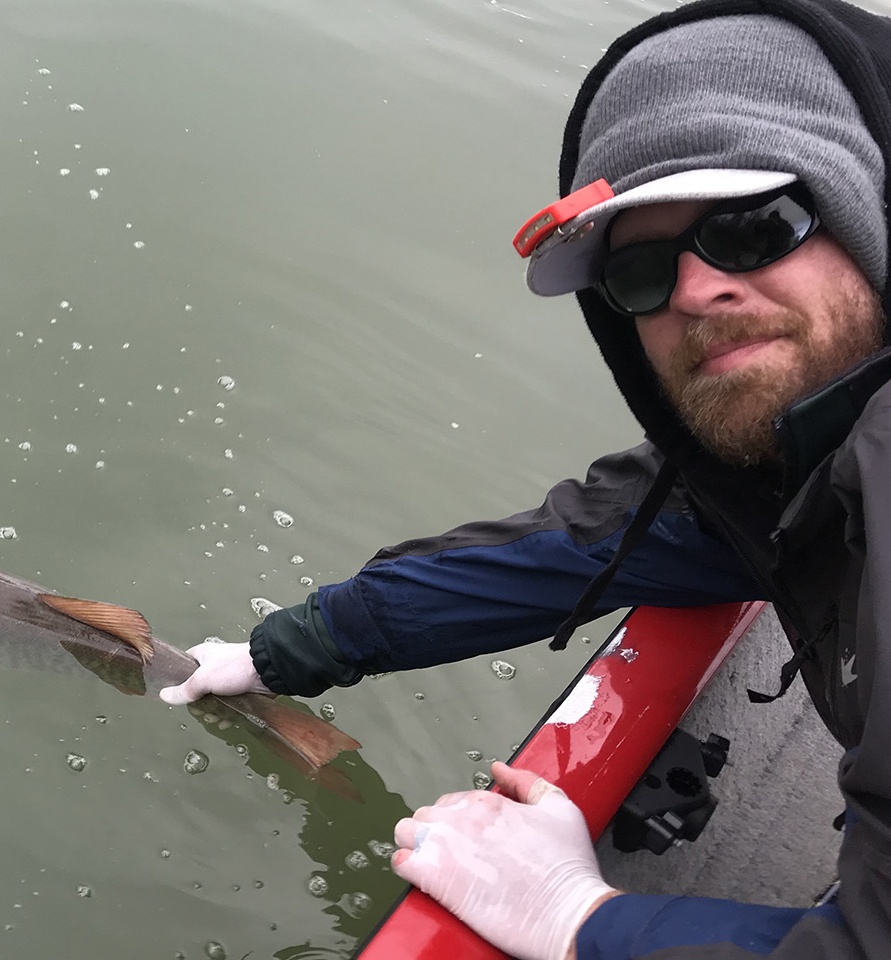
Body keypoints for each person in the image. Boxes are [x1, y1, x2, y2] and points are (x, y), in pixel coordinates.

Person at [158, 0, 891, 957]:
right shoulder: (785, 458)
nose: (697, 291)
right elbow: (582, 540)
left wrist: (581, 919)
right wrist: (289, 648)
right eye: (641, 275)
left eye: (755, 226)